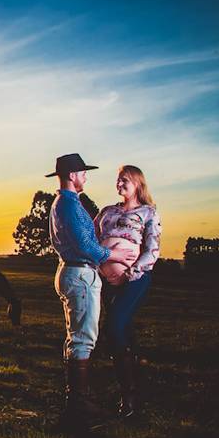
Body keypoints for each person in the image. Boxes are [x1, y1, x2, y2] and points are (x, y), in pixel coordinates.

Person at [46, 153, 137, 431]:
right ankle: (79, 408)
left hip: (74, 271)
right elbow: (87, 245)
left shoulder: (64, 204)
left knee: (76, 338)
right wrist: (117, 256)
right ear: (72, 175)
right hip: (80, 272)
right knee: (84, 339)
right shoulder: (69, 205)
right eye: (83, 172)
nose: (86, 176)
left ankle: (77, 402)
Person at [95, 165, 161, 418]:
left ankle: (129, 395)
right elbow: (92, 239)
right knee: (120, 330)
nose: (119, 183)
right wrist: (102, 270)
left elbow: (152, 250)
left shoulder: (148, 213)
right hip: (106, 280)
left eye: (125, 180)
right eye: (118, 180)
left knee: (114, 327)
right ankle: (133, 381)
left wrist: (129, 273)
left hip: (134, 279)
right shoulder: (106, 211)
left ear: (137, 184)